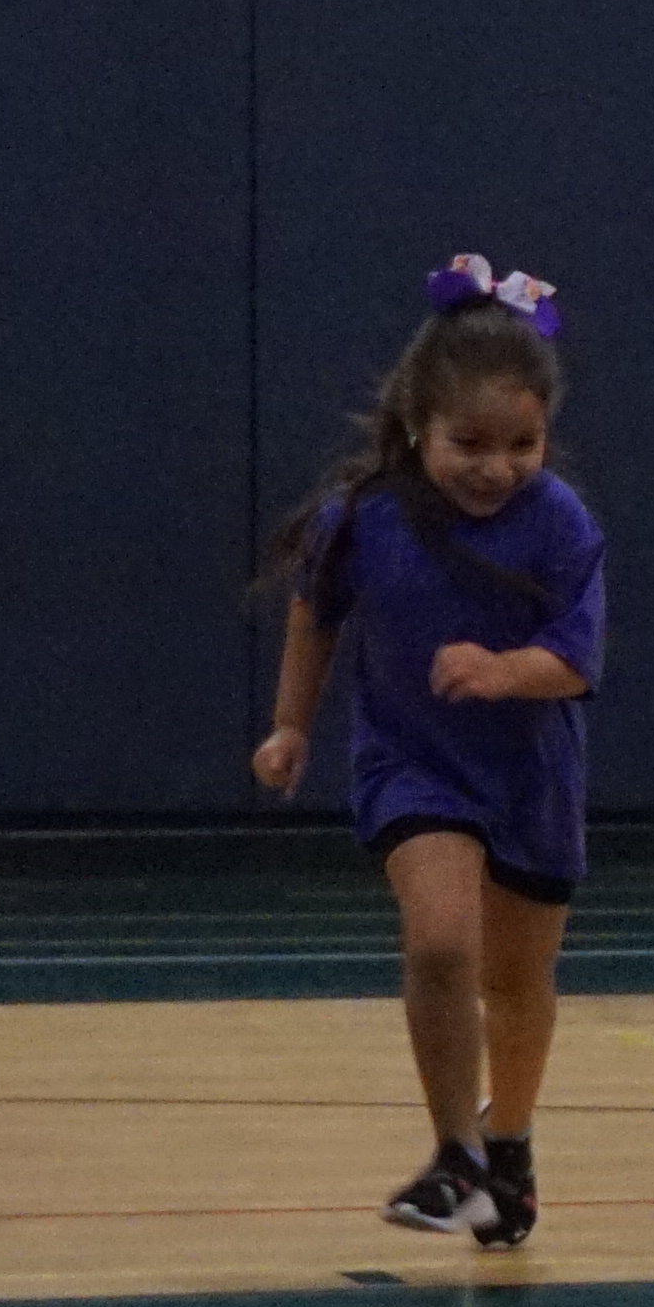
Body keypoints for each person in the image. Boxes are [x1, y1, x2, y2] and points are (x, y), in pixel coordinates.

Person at [250, 253, 604, 1249]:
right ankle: (456, 1158)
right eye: (470, 443)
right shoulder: (363, 521)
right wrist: (289, 725)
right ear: (416, 427)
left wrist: (504, 671)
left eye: (522, 444)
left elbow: (576, 661)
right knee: (443, 941)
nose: (496, 466)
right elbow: (315, 612)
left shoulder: (563, 525)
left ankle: (510, 1144)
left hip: (531, 776)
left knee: (518, 986)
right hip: (415, 764)